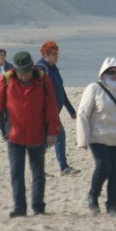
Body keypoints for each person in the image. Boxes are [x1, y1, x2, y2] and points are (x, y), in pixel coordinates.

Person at [0, 51, 61, 217]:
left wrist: (52, 132)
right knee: (16, 173)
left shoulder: (42, 79)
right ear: (16, 70)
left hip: (37, 135)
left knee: (38, 174)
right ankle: (20, 208)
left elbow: (51, 108)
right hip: (14, 136)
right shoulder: (5, 79)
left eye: (27, 73)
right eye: (21, 73)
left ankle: (38, 207)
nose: (25, 76)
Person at [77, 57, 116, 215]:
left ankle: (112, 205)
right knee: (104, 166)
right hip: (98, 138)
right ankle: (93, 195)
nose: (114, 75)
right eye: (111, 72)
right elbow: (83, 114)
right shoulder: (94, 88)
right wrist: (82, 140)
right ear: (103, 73)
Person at [36, 40, 80, 176]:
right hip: (45, 112)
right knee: (59, 135)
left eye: (57, 53)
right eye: (54, 54)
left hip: (54, 112)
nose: (57, 56)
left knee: (47, 140)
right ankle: (63, 167)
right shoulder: (41, 68)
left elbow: (61, 91)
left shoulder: (53, 68)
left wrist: (71, 110)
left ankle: (41, 170)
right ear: (46, 54)